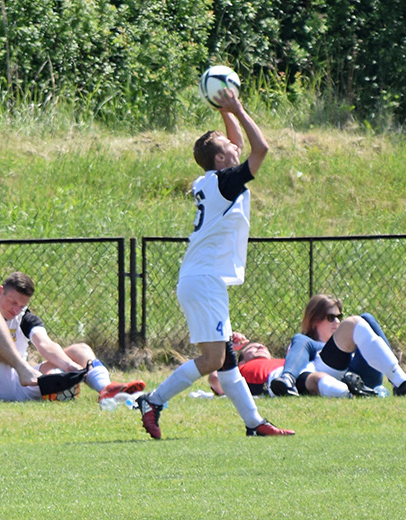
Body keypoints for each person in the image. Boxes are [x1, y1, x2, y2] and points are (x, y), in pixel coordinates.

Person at [134, 86, 294, 439]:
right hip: (204, 279)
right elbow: (261, 149)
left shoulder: (211, 179)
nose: (234, 145)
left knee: (227, 360)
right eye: (227, 146)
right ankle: (154, 401)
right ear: (221, 160)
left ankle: (254, 423)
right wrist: (237, 106)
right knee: (211, 361)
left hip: (203, 278)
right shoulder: (225, 181)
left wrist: (225, 112)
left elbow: (235, 145)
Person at [0, 271, 144, 402]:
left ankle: (106, 390)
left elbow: (45, 344)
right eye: (12, 302)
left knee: (80, 350)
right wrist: (13, 359)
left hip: (24, 382)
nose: (17, 310)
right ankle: (27, 371)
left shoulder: (24, 315)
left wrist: (70, 367)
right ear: (0, 291)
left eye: (22, 305)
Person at [269, 294, 406, 397]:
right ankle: (287, 379)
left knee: (366, 318)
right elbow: (303, 366)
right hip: (327, 372)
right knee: (353, 323)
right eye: (330, 317)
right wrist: (289, 376)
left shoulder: (347, 342)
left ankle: (401, 384)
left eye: (339, 316)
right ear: (314, 320)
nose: (337, 322)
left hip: (359, 374)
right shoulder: (306, 342)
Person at [209, 337, 379, 398]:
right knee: (315, 380)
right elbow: (216, 379)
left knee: (315, 375)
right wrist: (228, 350)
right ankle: (348, 393)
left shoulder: (288, 360)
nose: (259, 347)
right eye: (252, 348)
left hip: (301, 369)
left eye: (262, 346)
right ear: (241, 361)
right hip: (276, 380)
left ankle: (352, 388)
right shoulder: (241, 369)